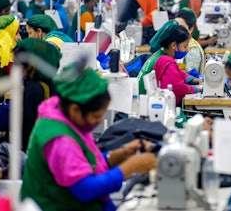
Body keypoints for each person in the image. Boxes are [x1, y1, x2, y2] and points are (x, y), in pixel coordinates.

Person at [20, 62, 157, 211]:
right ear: (75, 109)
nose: (99, 121)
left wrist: (118, 155)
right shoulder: (59, 139)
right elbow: (85, 189)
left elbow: (83, 161)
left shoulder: (64, 118)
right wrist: (130, 167)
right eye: (96, 116)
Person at [138, 19, 202, 105]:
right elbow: (178, 88)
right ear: (173, 45)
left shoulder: (160, 54)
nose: (187, 49)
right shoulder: (166, 61)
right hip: (145, 105)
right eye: (185, 46)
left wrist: (198, 80)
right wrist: (200, 88)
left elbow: (180, 73)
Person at [175, 8, 205, 77]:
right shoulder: (178, 43)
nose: (177, 29)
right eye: (175, 26)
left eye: (181, 27)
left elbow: (190, 79)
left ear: (191, 29)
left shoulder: (192, 50)